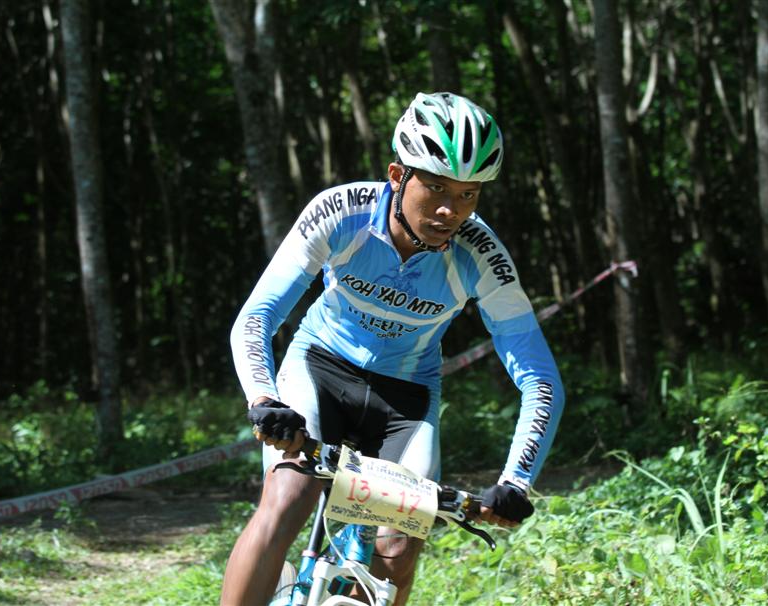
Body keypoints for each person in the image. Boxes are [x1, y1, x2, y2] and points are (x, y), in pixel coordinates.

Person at [222, 92, 564, 605]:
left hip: (404, 397)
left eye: (469, 194)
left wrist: (516, 481)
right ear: (398, 175)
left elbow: (540, 379)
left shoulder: (480, 255)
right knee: (288, 498)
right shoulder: (342, 213)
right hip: (320, 368)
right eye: (436, 187)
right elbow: (257, 317)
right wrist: (264, 398)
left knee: (399, 547)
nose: (450, 209)